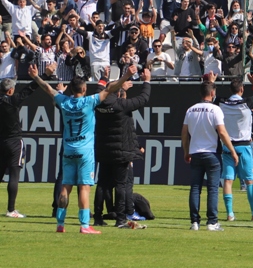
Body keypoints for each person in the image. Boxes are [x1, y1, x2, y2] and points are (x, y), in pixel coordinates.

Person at [28, 64, 120, 233]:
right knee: (84, 187)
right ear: (84, 88)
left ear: (70, 89)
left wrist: (36, 76)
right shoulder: (89, 101)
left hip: (68, 149)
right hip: (85, 151)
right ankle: (84, 225)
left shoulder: (64, 101)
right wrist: (126, 76)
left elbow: (47, 89)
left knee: (65, 187)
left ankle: (60, 224)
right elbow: (110, 89)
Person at [94, 65, 151, 229]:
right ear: (118, 92)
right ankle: (120, 219)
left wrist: (105, 78)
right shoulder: (121, 105)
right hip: (121, 152)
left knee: (102, 184)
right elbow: (143, 99)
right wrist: (147, 81)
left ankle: (98, 217)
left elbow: (100, 89)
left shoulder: (98, 103)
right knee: (120, 185)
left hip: (104, 150)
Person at [182, 82, 239, 232]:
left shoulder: (191, 109)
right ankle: (212, 222)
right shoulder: (215, 110)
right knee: (213, 189)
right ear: (212, 93)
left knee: (195, 188)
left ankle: (195, 222)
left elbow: (184, 133)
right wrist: (232, 151)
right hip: (212, 153)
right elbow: (222, 132)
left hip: (195, 152)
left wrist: (186, 151)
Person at [217, 75, 253, 223]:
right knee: (250, 181)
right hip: (244, 146)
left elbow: (209, 96)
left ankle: (230, 214)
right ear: (242, 89)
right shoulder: (247, 102)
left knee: (228, 180)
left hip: (228, 146)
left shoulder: (222, 102)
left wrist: (212, 82)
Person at [0, 78, 32, 218]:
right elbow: (29, 90)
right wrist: (44, 75)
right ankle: (11, 209)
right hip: (14, 141)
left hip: (1, 142)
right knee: (14, 175)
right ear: (10, 90)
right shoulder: (12, 101)